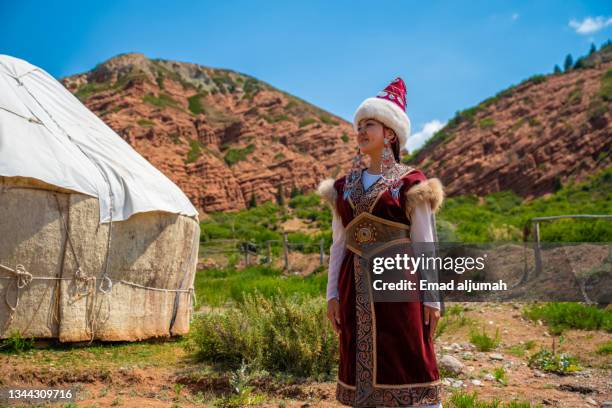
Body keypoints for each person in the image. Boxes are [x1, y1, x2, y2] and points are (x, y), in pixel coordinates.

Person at [317, 78, 445, 407]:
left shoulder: (411, 182)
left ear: (389, 133)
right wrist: (332, 293)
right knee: (358, 360)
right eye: (358, 125)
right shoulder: (344, 186)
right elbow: (338, 243)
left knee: (407, 355)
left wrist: (432, 297)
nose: (360, 130)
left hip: (400, 284)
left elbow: (423, 241)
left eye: (369, 124)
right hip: (353, 286)